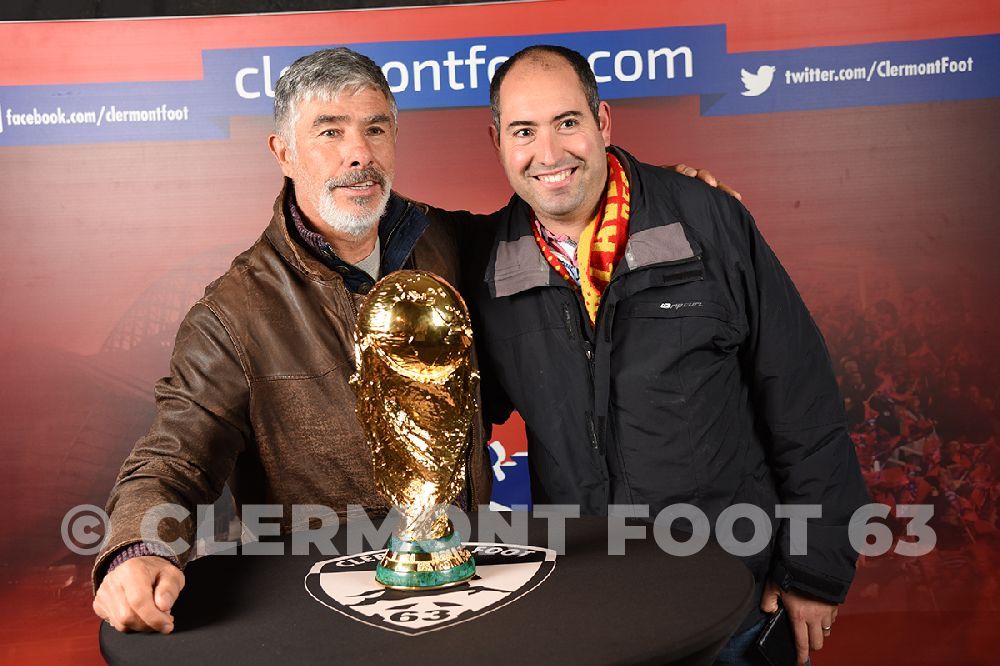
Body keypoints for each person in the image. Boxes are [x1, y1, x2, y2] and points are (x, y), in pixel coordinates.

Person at [92, 47, 730, 635]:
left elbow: (564, 214)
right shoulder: (233, 313)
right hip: (336, 610)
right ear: (282, 152)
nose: (358, 154)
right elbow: (172, 460)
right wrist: (137, 548)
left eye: (375, 128)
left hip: (474, 588)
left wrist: (657, 196)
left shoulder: (456, 243)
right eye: (330, 132)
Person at [467, 45, 871, 666]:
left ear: (603, 123)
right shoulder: (489, 269)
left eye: (567, 122)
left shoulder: (707, 219)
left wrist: (816, 569)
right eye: (524, 131)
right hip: (588, 606)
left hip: (730, 598)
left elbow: (802, 398)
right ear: (497, 140)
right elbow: (460, 421)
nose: (548, 154)